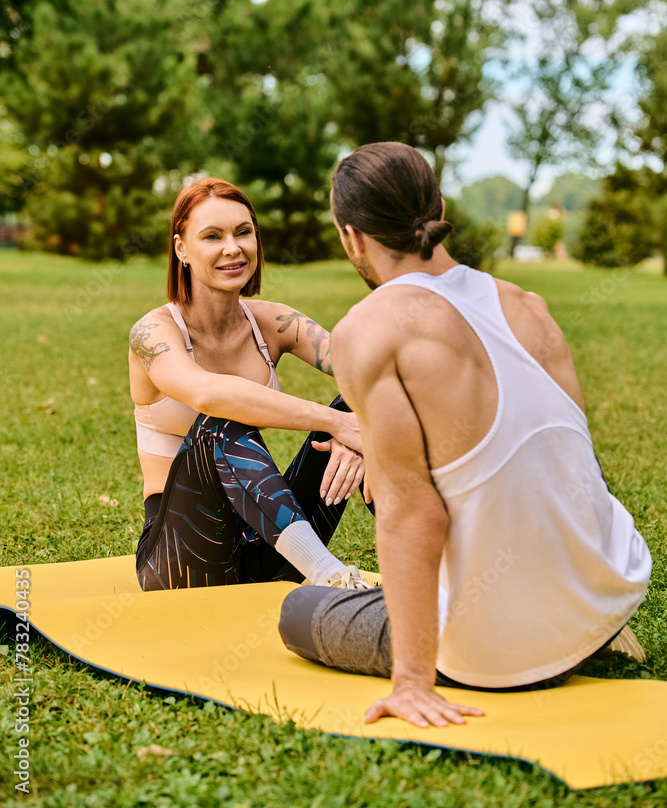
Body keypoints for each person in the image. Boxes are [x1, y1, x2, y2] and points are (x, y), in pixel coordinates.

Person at [279, 141, 652, 729]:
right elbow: (569, 462)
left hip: (504, 650)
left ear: (351, 237)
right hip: (607, 589)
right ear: (440, 205)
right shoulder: (527, 304)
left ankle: (496, 636)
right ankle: (590, 625)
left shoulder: (368, 330)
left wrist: (411, 682)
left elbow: (412, 511)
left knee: (299, 611)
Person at [130, 176, 375, 592]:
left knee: (365, 405)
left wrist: (360, 431)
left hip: (272, 548)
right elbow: (209, 394)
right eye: (212, 236)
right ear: (181, 249)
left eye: (243, 232)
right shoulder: (152, 334)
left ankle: (441, 574)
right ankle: (330, 576)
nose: (233, 247)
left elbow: (373, 374)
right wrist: (336, 425)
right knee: (220, 422)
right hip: (181, 560)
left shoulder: (274, 322)